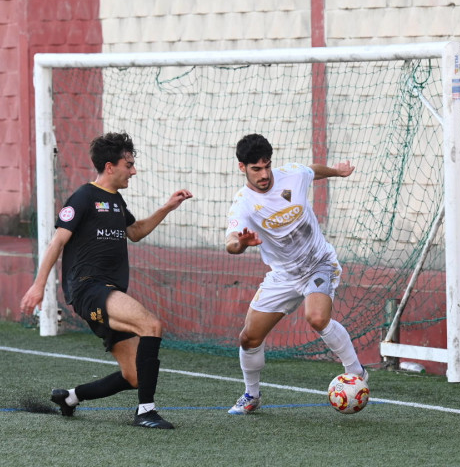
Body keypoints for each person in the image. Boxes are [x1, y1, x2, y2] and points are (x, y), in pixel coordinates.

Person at [20, 132, 192, 429]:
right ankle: (145, 411)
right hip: (89, 289)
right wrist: (38, 287)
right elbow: (55, 243)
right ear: (110, 166)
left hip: (109, 292)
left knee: (134, 376)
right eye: (129, 164)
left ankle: (70, 398)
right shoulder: (83, 197)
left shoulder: (116, 200)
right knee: (152, 325)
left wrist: (166, 208)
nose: (134, 171)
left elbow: (135, 232)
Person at [224, 133, 367, 415]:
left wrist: (337, 171)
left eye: (267, 166)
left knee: (316, 318)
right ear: (242, 168)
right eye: (256, 169)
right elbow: (230, 241)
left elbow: (312, 171)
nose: (264, 174)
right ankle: (251, 394)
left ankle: (357, 372)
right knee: (248, 339)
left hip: (318, 262)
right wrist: (239, 244)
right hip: (283, 275)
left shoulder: (292, 174)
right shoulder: (243, 203)